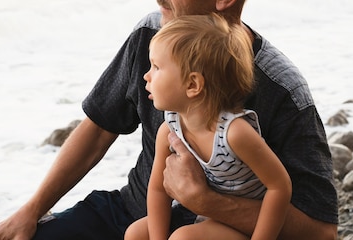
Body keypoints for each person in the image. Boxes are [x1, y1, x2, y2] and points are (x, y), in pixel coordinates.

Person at [0, 0, 338, 240]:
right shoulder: (152, 36)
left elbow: (320, 231)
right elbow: (100, 127)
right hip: (137, 216)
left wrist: (205, 200)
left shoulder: (281, 89)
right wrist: (31, 210)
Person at [124, 14, 292, 240]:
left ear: (193, 84)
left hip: (241, 225)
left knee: (183, 239)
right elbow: (157, 189)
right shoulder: (171, 128)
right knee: (135, 234)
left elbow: (279, 187)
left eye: (156, 67)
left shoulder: (235, 133)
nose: (146, 75)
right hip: (202, 215)